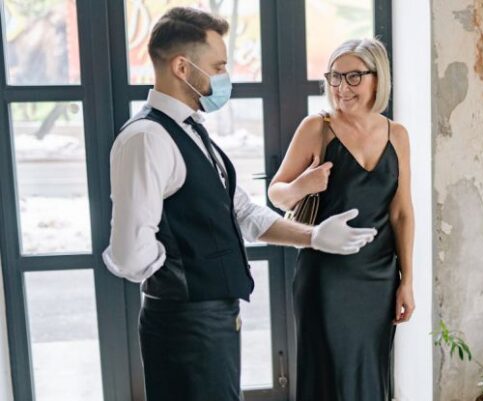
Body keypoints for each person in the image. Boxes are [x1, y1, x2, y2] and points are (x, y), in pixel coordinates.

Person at [102, 8, 376, 401]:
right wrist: (183, 270)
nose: (224, 76)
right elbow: (130, 255)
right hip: (185, 322)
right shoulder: (147, 139)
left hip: (214, 316)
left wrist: (314, 236)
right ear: (182, 67)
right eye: (217, 66)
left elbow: (243, 212)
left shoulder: (192, 133)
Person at [268, 38, 415, 401]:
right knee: (329, 377)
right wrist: (303, 185)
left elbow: (401, 212)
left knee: (370, 374)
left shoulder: (397, 135)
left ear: (377, 79)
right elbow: (276, 194)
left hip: (379, 278)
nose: (340, 87)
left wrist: (407, 280)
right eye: (334, 77)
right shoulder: (317, 128)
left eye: (353, 77)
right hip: (326, 277)